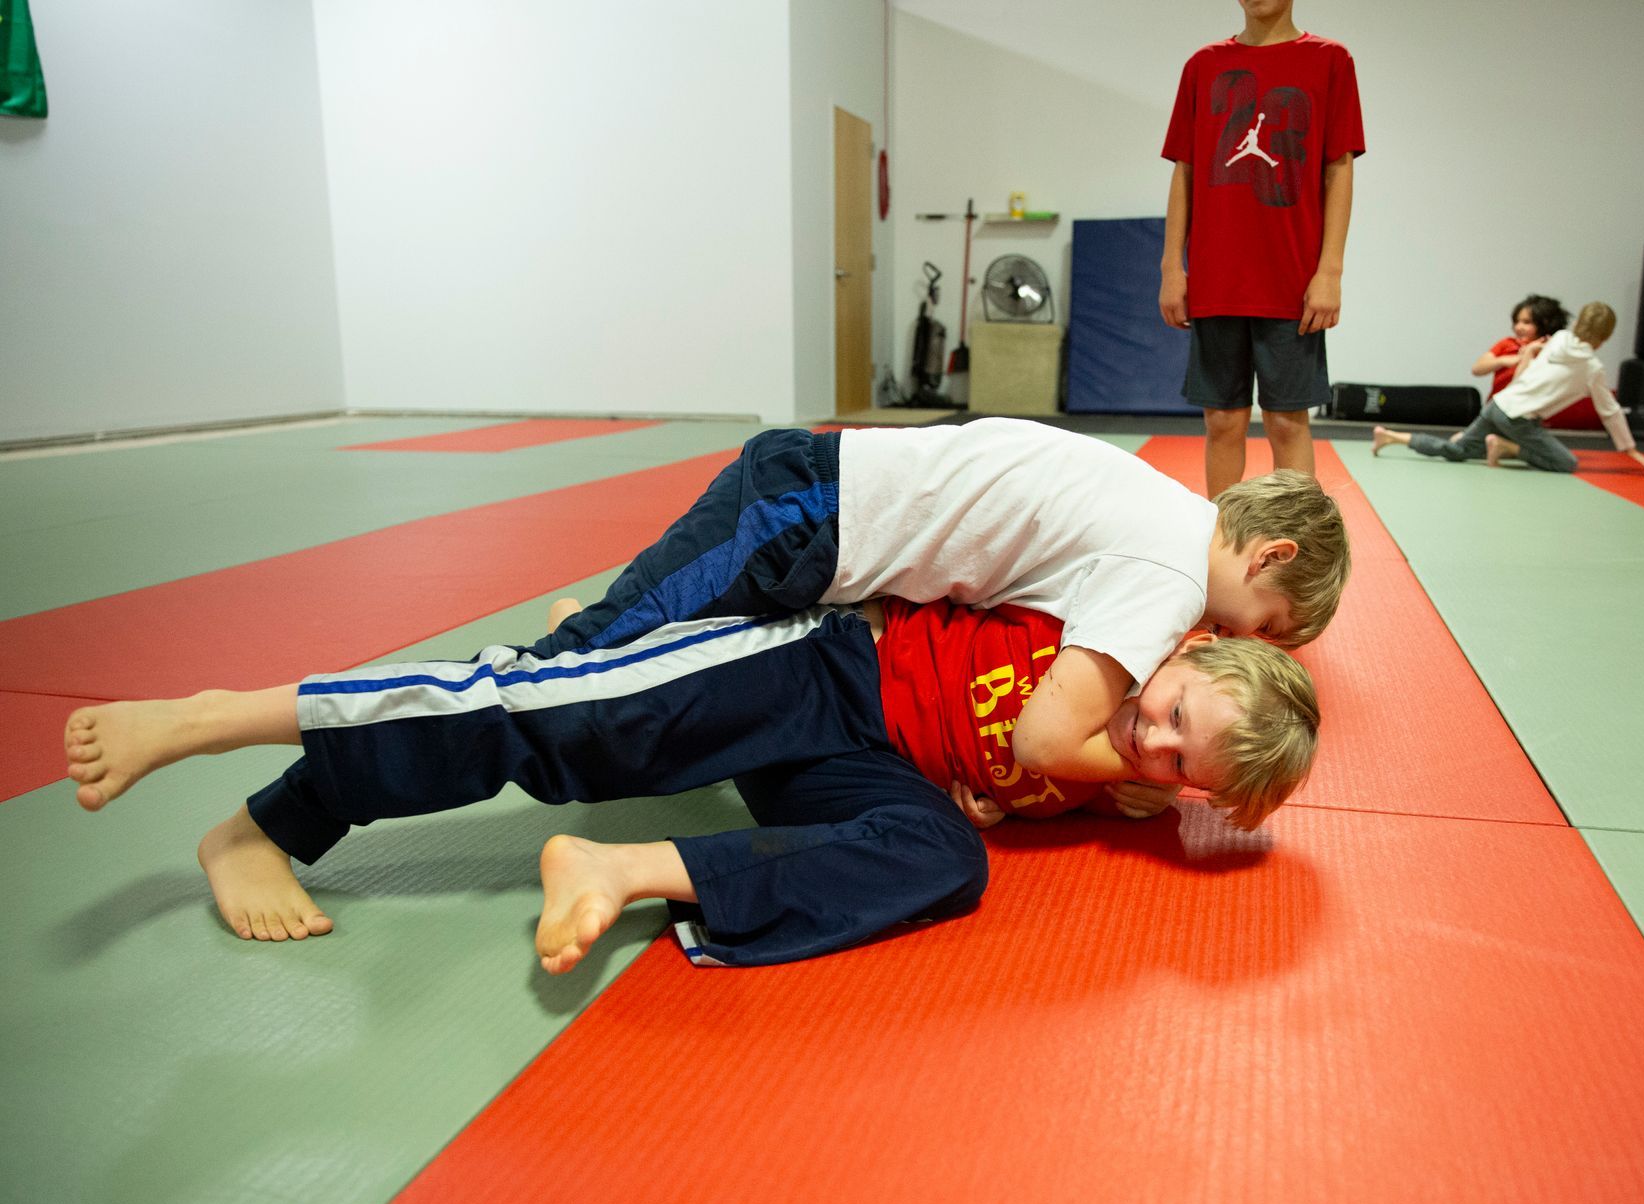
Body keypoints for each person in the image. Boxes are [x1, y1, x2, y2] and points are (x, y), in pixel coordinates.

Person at [62, 594, 1321, 968]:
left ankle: (626, 866)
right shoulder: (1111, 623)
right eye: (1170, 714)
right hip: (821, 668)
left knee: (947, 860)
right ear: (1191, 649)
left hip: (856, 769)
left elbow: (1022, 778)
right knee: (552, 721)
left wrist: (1006, 796)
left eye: (1178, 764)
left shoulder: (1141, 785)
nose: (1150, 743)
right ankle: (224, 734)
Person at [370, 417, 1347, 789]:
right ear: (1270, 553)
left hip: (828, 533)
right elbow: (1049, 741)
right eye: (1252, 624)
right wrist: (1145, 779)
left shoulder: (1156, 505)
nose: (1219, 637)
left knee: (650, 649)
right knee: (561, 683)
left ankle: (595, 627)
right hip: (806, 514)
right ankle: (320, 775)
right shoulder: (1172, 570)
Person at [1158, 0, 1366, 494]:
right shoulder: (1203, 64)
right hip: (1217, 274)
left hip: (1290, 277)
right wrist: (1172, 266)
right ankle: (1224, 540)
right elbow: (1184, 169)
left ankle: (1298, 544)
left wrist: (1329, 271)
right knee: (1222, 422)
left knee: (1288, 421)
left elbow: (1338, 168)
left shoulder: (1330, 59)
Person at [1369, 302, 1644, 474]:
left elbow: (1529, 375)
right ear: (1605, 336)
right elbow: (1609, 411)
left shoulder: (1558, 339)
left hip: (1498, 405)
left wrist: (1530, 356)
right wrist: (1630, 450)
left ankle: (1391, 437)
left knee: (1456, 450)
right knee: (1566, 462)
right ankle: (1505, 446)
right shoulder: (1592, 368)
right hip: (1518, 418)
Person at [1472, 294, 1570, 398]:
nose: (1518, 327)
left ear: (1546, 323)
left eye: (1526, 322)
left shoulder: (1554, 347)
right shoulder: (1508, 343)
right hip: (1499, 404)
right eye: (1516, 322)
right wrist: (1503, 360)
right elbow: (1477, 369)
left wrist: (1531, 353)